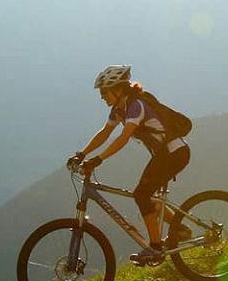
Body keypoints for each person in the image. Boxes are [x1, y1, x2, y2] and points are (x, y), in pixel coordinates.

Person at [68, 65, 191, 265]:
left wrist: (98, 159)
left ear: (118, 89)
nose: (102, 97)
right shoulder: (119, 109)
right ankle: (181, 229)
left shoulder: (136, 106)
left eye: (104, 92)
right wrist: (81, 154)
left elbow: (123, 137)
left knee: (142, 194)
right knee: (147, 196)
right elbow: (105, 133)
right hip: (164, 154)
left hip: (174, 153)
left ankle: (155, 247)